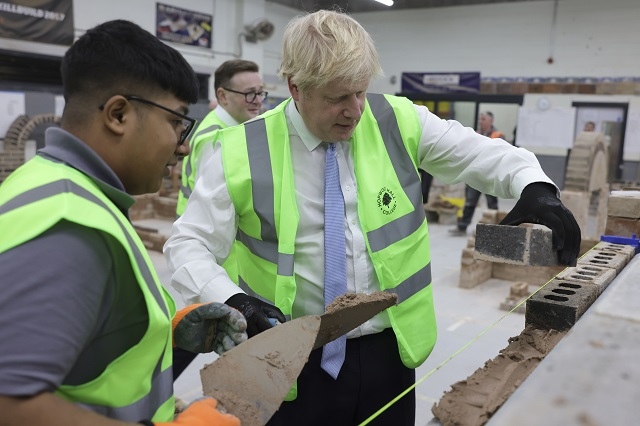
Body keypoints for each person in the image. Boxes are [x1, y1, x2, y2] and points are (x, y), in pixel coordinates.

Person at [164, 10, 581, 426]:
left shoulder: (396, 120)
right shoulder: (239, 150)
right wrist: (233, 299)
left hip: (390, 355)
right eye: (336, 98)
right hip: (289, 360)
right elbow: (189, 244)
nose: (354, 110)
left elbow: (478, 154)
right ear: (295, 87)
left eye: (360, 92)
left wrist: (533, 184)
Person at [0, 20, 246, 426]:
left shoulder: (57, 186)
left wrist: (164, 333)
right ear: (118, 114)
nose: (183, 146)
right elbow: (10, 402)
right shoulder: (69, 228)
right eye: (176, 122)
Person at [176, 59, 267, 217]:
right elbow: (210, 210)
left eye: (260, 92)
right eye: (250, 94)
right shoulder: (214, 139)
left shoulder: (233, 128)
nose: (258, 101)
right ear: (223, 96)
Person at [450, 111, 504, 236]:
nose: (481, 121)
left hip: (490, 177)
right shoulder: (475, 134)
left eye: (484, 119)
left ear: (491, 121)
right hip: (475, 176)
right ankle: (462, 226)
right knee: (469, 202)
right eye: (480, 119)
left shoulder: (498, 135)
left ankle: (495, 229)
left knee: (492, 203)